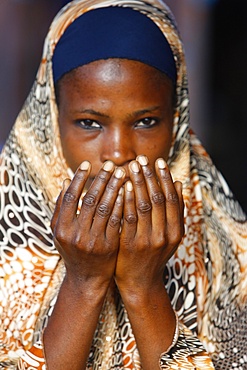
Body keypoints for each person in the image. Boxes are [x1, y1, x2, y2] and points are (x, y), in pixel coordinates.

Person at [0, 0, 246, 369]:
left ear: (175, 123)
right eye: (90, 123)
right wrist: (83, 284)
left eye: (146, 121)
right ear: (53, 120)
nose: (118, 152)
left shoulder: (225, 250)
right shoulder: (10, 242)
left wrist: (142, 287)